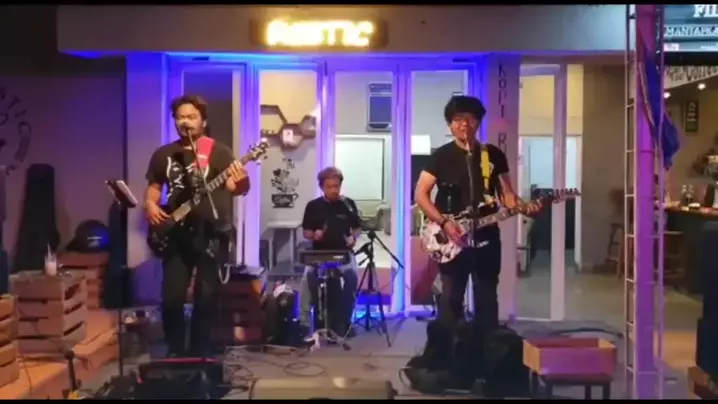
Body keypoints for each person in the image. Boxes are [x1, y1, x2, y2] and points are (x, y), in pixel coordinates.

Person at [413, 95, 540, 380]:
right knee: (450, 299)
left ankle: (486, 364)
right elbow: (420, 194)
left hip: (487, 237)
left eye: (470, 119)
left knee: (486, 299)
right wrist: (444, 222)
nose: (464, 124)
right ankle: (446, 362)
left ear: (478, 122)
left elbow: (507, 195)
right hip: (453, 240)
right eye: (458, 119)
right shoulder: (440, 156)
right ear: (450, 124)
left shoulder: (492, 155)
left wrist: (524, 207)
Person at [144, 94, 250, 358]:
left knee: (206, 296)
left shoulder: (219, 151)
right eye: (180, 117)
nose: (186, 122)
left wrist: (241, 181)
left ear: (203, 120)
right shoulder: (164, 154)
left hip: (211, 233)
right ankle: (176, 351)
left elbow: (237, 187)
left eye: (191, 117)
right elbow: (155, 186)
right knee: (171, 296)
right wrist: (150, 204)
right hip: (176, 234)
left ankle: (200, 351)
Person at [298, 167, 361, 340]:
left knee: (352, 277)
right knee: (307, 278)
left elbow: (357, 228)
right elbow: (306, 232)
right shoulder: (313, 206)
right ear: (322, 187)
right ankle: (304, 324)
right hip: (319, 253)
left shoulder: (348, 205)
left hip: (343, 253)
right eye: (329, 186)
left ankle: (345, 322)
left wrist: (353, 237)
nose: (334, 190)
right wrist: (314, 234)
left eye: (336, 186)